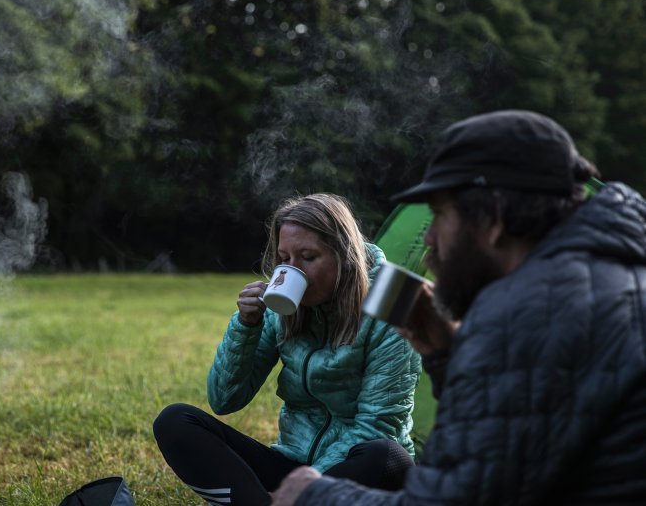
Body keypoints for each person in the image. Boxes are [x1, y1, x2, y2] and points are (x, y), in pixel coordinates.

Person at [271, 110, 646, 505]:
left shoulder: (533, 311)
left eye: (440, 214)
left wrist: (313, 496)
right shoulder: (611, 278)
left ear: (494, 219)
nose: (430, 239)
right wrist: (447, 354)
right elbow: (514, 446)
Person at [153, 193, 421, 505]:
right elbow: (224, 399)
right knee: (175, 422)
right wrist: (245, 325)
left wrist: (304, 491)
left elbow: (378, 426)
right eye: (284, 259)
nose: (293, 271)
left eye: (308, 257)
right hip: (293, 464)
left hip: (359, 470)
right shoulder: (281, 305)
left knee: (386, 454)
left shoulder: (396, 299)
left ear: (344, 255)